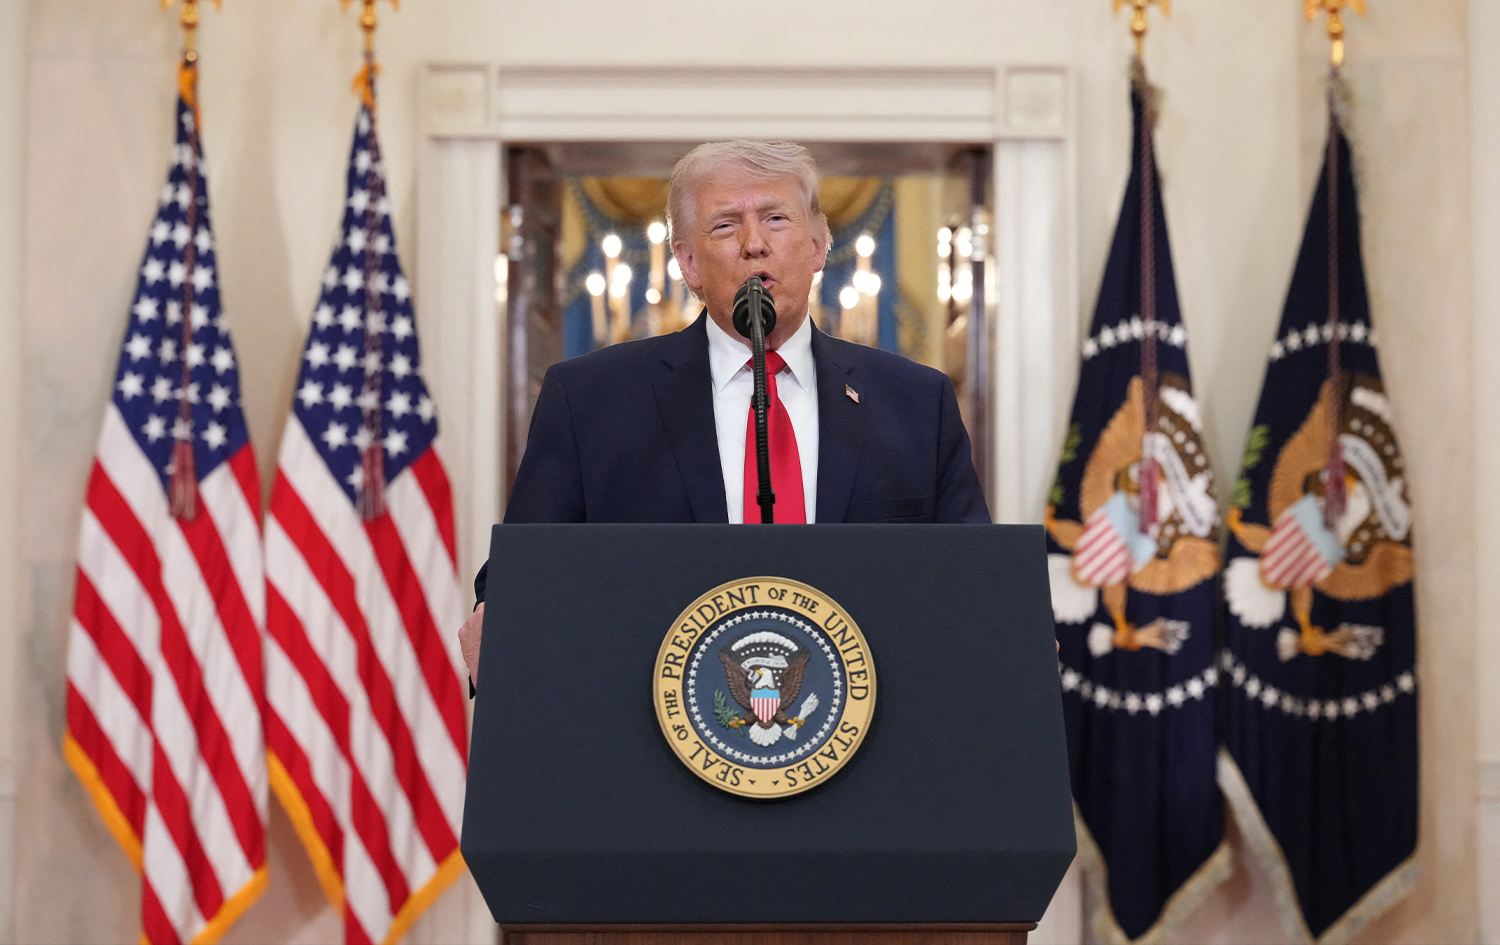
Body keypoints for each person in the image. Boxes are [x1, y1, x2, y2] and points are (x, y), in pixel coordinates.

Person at [459, 140, 989, 687]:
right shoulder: (591, 399)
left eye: (776, 219)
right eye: (725, 226)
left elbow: (975, 581)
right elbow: (525, 574)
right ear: (688, 262)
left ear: (817, 245)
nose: (755, 244)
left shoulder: (914, 402)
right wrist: (498, 615)